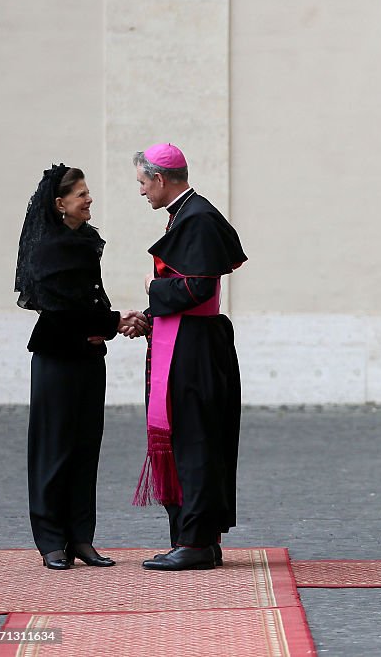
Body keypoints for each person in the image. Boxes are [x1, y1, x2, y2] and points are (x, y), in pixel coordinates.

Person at [15, 165, 148, 570]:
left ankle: (80, 539)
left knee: (85, 449)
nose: (89, 199)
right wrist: (113, 322)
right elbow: (59, 308)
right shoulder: (48, 247)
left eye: (88, 193)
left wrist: (112, 321)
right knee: (53, 450)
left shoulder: (86, 240)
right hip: (57, 360)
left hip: (88, 359)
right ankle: (51, 541)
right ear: (60, 204)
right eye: (81, 194)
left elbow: (89, 300)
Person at [133, 144, 248, 572]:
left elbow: (197, 288)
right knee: (189, 437)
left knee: (195, 438)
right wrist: (147, 316)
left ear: (160, 179)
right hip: (188, 338)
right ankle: (195, 537)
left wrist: (151, 288)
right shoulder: (191, 214)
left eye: (143, 183)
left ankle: (197, 541)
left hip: (194, 346)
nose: (141, 191)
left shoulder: (197, 217)